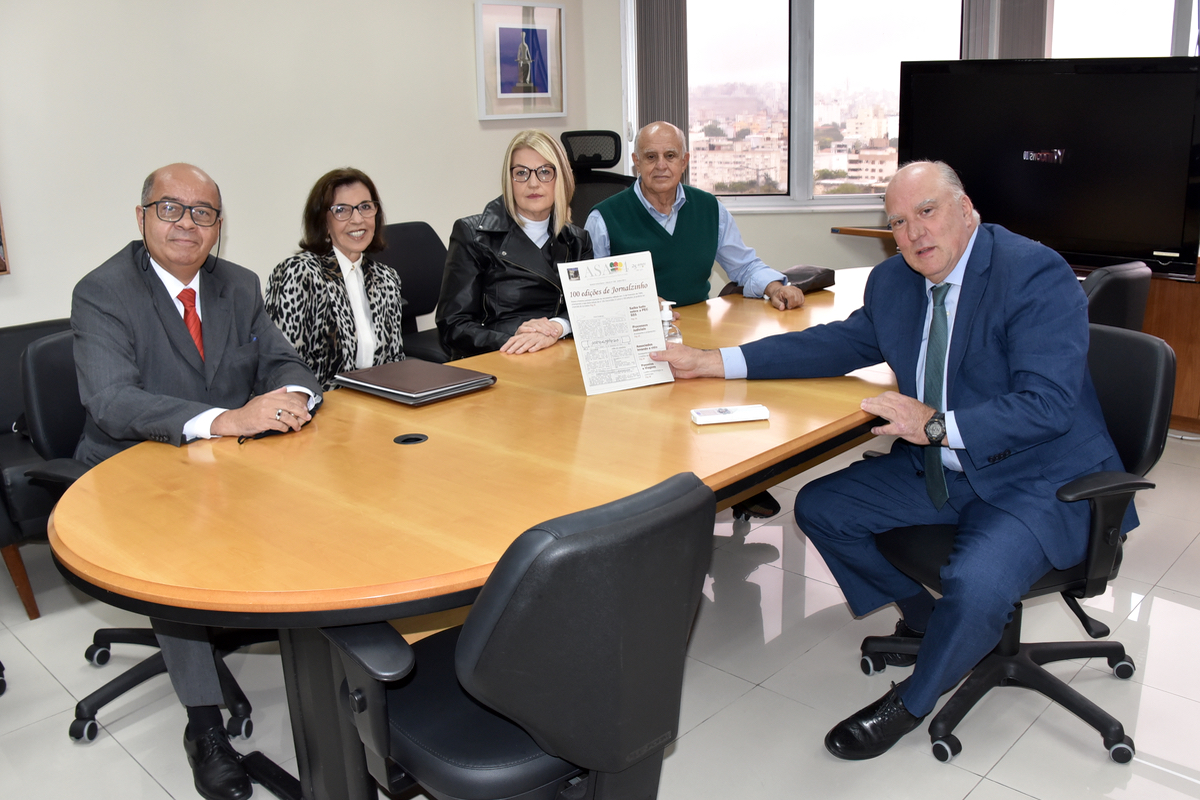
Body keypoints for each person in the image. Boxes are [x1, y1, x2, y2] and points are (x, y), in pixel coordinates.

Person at [649, 161, 1135, 760]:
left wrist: (933, 424)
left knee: (977, 581)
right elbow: (829, 345)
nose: (913, 234)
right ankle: (932, 624)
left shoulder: (1033, 272)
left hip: (1034, 475)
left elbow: (1049, 405)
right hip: (947, 468)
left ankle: (911, 701)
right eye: (899, 222)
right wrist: (714, 362)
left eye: (926, 212)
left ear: (965, 208)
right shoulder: (894, 282)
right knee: (824, 507)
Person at [72, 163, 323, 800]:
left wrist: (290, 397)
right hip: (130, 463)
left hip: (224, 460)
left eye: (203, 213)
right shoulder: (103, 291)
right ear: (141, 217)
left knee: (317, 507)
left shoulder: (238, 284)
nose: (187, 224)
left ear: (219, 226)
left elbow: (285, 359)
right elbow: (110, 400)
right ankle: (204, 728)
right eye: (170, 209)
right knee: (172, 562)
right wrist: (226, 419)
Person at [586, 121, 805, 310]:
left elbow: (745, 266)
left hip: (699, 326)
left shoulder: (710, 208)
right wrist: (638, 304)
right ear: (637, 162)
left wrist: (776, 288)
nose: (661, 165)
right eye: (651, 157)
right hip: (636, 333)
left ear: (684, 161)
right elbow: (591, 292)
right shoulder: (603, 218)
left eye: (670, 156)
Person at [436, 129, 592, 359]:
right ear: (508, 181)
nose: (533, 184)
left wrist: (559, 326)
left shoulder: (577, 240)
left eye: (545, 172)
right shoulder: (473, 235)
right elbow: (453, 326)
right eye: (521, 173)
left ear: (562, 179)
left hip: (559, 355)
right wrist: (516, 340)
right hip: (498, 359)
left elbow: (590, 309)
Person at [266, 168, 405, 390]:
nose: (357, 219)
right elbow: (281, 368)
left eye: (365, 207)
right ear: (323, 222)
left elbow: (395, 362)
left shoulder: (386, 278)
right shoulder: (299, 273)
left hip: (377, 405)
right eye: (342, 210)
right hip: (316, 410)